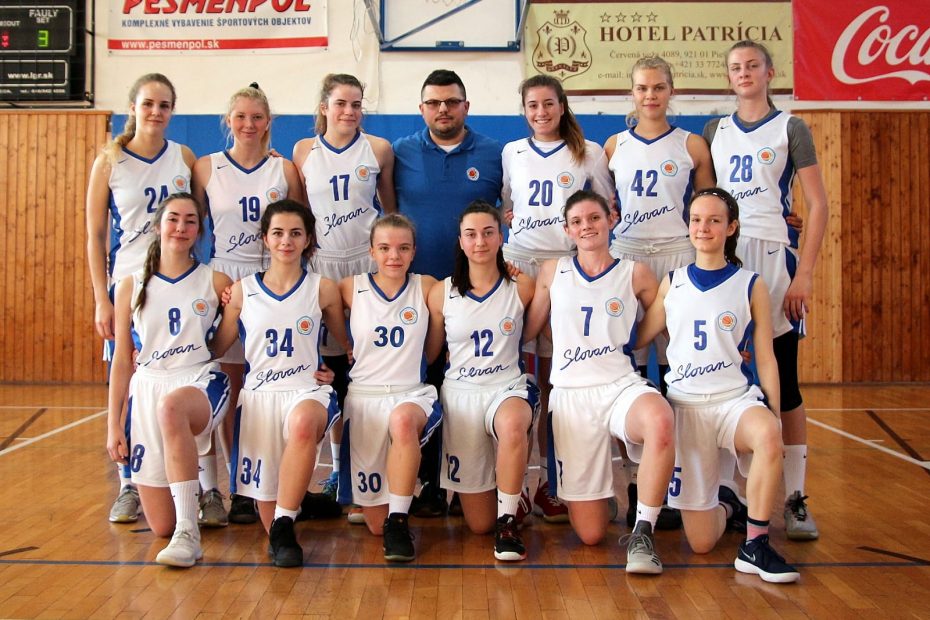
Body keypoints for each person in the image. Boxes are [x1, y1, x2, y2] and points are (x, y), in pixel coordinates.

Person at [636, 187, 800, 583]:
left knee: (767, 434)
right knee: (701, 542)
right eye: (696, 220)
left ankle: (755, 545)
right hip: (686, 407)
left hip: (733, 401)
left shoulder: (751, 284)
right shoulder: (672, 283)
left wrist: (775, 416)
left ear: (731, 227)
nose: (703, 228)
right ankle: (728, 504)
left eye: (713, 220)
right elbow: (640, 337)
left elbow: (765, 357)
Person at [704, 40, 829, 541]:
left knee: (787, 381)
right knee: (723, 373)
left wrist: (806, 274)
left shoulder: (791, 128)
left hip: (776, 257)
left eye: (752, 65)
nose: (744, 73)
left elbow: (817, 205)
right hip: (724, 256)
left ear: (770, 72)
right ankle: (726, 493)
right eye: (736, 67)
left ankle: (795, 498)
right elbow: (705, 200)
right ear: (728, 76)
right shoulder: (714, 131)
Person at [524, 190, 675, 575]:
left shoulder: (636, 273)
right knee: (590, 534)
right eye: (577, 221)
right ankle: (597, 494)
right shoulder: (553, 271)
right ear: (567, 230)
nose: (586, 226)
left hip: (620, 385)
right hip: (571, 395)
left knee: (660, 419)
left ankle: (643, 531)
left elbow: (662, 327)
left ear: (611, 219)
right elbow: (529, 330)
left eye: (594, 218)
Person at [603, 55, 713, 530]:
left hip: (677, 256)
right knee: (625, 370)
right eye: (642, 88)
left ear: (672, 90)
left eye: (658, 87)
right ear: (632, 93)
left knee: (676, 371)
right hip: (628, 256)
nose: (650, 95)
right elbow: (601, 206)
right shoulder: (613, 146)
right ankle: (633, 483)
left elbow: (710, 207)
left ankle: (675, 485)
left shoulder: (692, 145)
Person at [210, 199, 350, 568]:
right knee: (269, 512)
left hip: (306, 390)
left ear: (308, 240)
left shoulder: (323, 289)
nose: (286, 240)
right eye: (278, 233)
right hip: (260, 397)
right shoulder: (242, 291)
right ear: (265, 239)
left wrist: (333, 373)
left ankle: (287, 521)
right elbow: (217, 348)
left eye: (295, 233)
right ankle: (294, 509)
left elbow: (349, 346)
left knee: (303, 425)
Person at [501, 74, 614, 524]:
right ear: (524, 110)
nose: (541, 112)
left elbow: (603, 209)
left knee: (554, 381)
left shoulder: (589, 153)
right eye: (532, 105)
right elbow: (507, 205)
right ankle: (508, 486)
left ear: (562, 106)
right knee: (511, 379)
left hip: (566, 269)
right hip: (518, 266)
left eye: (548, 103)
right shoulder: (512, 152)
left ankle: (551, 481)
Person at [87, 73, 197, 525]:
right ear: (133, 107)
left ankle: (197, 483)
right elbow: (94, 235)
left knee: (181, 373)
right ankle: (127, 483)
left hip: (176, 279)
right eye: (148, 103)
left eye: (164, 105)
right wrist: (101, 297)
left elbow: (204, 212)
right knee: (128, 374)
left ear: (172, 110)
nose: (155, 112)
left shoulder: (183, 157)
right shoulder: (109, 161)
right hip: (130, 283)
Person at [392, 69, 503, 516]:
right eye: (434, 103)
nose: (443, 109)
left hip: (479, 291)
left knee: (473, 384)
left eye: (452, 102)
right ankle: (428, 483)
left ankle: (479, 480)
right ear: (422, 109)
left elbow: (510, 211)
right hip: (418, 289)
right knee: (426, 382)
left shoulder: (494, 153)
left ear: (466, 107)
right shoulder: (399, 152)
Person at [193, 83, 303, 527]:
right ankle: (237, 487)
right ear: (228, 120)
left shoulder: (284, 169)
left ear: (268, 122)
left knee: (273, 387)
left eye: (257, 117)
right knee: (232, 389)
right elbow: (191, 227)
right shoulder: (206, 167)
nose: (249, 124)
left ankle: (273, 484)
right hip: (226, 281)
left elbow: (300, 228)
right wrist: (210, 285)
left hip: (274, 281)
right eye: (240, 116)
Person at [105, 193, 232, 567]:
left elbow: (225, 343)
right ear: (158, 225)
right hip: (147, 386)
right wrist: (114, 424)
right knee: (161, 525)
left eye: (191, 221)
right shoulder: (129, 285)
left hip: (198, 379)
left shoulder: (216, 281)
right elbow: (121, 361)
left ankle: (189, 534)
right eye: (174, 218)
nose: (181, 227)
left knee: (173, 407)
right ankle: (185, 513)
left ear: (199, 230)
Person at [292, 74, 396, 517]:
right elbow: (299, 215)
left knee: (367, 369)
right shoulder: (302, 151)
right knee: (329, 371)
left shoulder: (378, 149)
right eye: (341, 103)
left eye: (356, 104)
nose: (350, 111)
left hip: (365, 267)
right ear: (324, 107)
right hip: (322, 266)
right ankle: (338, 470)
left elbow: (390, 211)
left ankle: (370, 471)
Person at [426, 201, 536, 561]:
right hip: (461, 395)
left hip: (507, 387)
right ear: (460, 241)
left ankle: (509, 520)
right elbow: (430, 353)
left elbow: (532, 333)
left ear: (500, 237)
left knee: (513, 424)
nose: (480, 242)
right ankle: (511, 498)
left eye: (488, 233)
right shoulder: (441, 293)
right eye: (471, 234)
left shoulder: (522, 287)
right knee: (478, 524)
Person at [337, 214, 441, 562]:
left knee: (403, 422)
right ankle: (385, 512)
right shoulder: (348, 288)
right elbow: (305, 313)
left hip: (410, 393)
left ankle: (399, 520)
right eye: (384, 248)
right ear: (371, 251)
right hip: (364, 398)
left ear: (414, 251)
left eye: (403, 248)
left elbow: (473, 296)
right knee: (374, 525)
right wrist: (328, 359)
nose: (394, 256)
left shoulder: (427, 287)